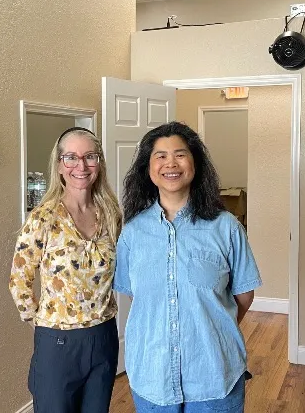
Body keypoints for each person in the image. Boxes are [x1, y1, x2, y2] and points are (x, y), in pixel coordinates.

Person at [113, 121, 262, 412]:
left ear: (196, 164)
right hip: (152, 376)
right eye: (161, 156)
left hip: (214, 376)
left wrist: (211, 329)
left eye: (180, 154)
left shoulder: (226, 228)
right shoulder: (132, 233)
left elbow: (244, 295)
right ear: (148, 168)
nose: (171, 163)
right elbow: (138, 297)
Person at [9, 127, 122, 413]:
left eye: (90, 157)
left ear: (100, 163)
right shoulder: (43, 218)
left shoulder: (111, 214)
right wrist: (41, 322)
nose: (80, 166)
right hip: (58, 342)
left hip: (104, 337)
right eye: (70, 157)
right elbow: (19, 279)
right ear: (59, 165)